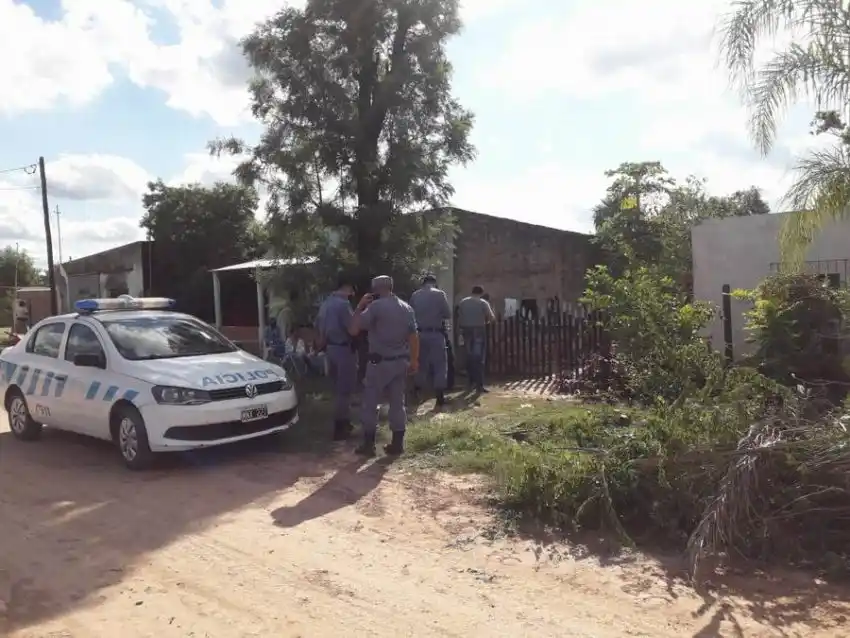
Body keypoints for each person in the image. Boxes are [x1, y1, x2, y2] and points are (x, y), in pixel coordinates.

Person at [349, 275, 419, 457]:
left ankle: (368, 444)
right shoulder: (406, 307)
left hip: (378, 363)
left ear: (375, 289)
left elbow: (354, 330)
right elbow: (413, 336)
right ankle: (397, 444)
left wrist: (360, 306)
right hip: (400, 362)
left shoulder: (375, 307)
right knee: (397, 403)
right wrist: (414, 359)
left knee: (370, 403)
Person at [315, 275, 358, 441]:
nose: (351, 293)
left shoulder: (325, 304)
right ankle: (340, 427)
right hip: (343, 349)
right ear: (346, 287)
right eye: (351, 290)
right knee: (344, 391)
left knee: (337, 390)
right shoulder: (343, 304)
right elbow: (352, 328)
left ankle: (344, 422)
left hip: (330, 349)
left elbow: (318, 328)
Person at [409, 273, 451, 407]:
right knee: (439, 364)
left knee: (420, 362)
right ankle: (439, 396)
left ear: (423, 283)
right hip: (435, 333)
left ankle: (417, 391)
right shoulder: (440, 294)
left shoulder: (415, 295)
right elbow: (447, 314)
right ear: (434, 283)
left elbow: (410, 314)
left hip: (419, 334)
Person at [457, 285, 495, 392]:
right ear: (481, 293)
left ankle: (470, 382)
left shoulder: (463, 302)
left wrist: (460, 331)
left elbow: (459, 318)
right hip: (479, 330)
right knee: (479, 358)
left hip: (466, 330)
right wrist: (486, 321)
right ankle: (479, 384)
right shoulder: (483, 303)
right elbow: (492, 318)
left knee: (469, 357)